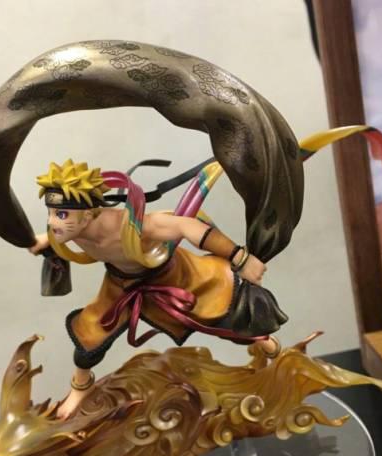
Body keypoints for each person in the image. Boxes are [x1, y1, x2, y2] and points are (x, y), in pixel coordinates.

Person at [29, 159, 287, 418]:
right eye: (51, 213)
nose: (52, 222)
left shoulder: (132, 226)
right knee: (91, 332)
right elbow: (56, 231)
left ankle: (265, 342)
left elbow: (187, 225)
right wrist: (42, 239)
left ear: (87, 215)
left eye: (61, 215)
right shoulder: (70, 229)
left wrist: (240, 258)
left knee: (217, 314)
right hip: (120, 283)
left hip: (171, 276)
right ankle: (81, 387)